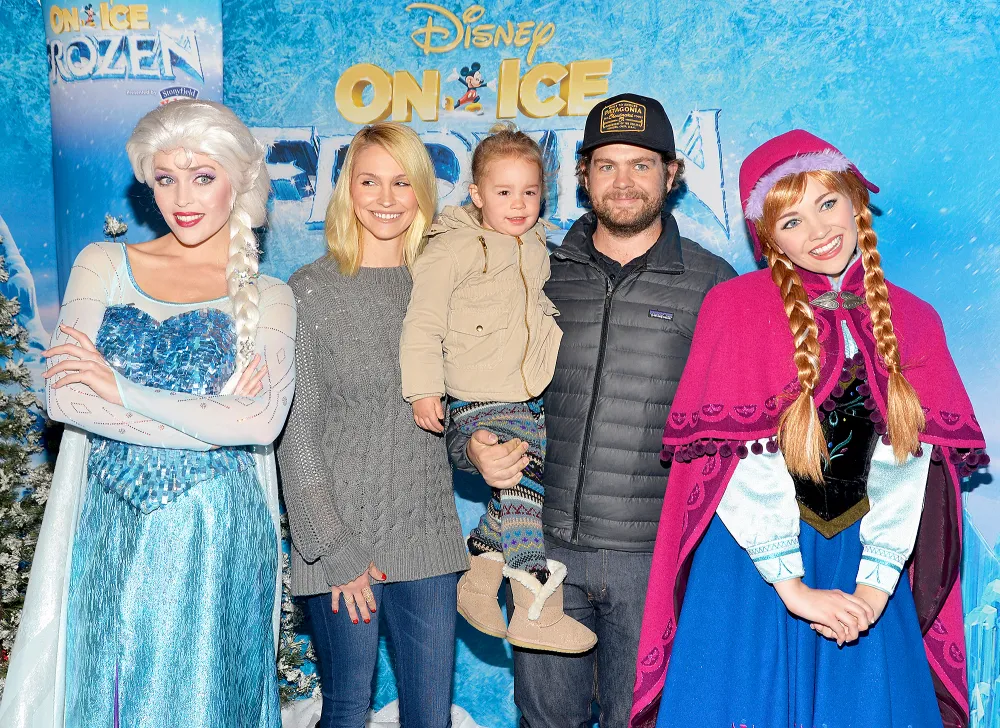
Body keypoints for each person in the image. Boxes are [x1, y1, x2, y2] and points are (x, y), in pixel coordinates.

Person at [631, 129, 988, 728]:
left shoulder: (913, 318)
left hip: (866, 559)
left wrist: (875, 586)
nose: (819, 230)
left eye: (827, 203)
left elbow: (910, 470)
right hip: (752, 562)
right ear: (766, 235)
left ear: (856, 201)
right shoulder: (734, 308)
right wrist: (791, 585)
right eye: (791, 220)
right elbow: (736, 461)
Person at [0, 99, 296, 728]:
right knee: (102, 684)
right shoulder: (102, 264)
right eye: (166, 178)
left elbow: (259, 424)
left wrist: (121, 389)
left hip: (218, 530)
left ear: (238, 181)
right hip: (111, 517)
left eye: (203, 176)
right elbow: (65, 398)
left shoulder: (271, 296)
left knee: (211, 697)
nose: (182, 197)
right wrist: (209, 417)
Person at [447, 93, 737, 727]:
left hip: (651, 558)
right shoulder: (532, 271)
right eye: (607, 164)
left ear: (672, 173)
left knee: (644, 719)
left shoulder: (715, 286)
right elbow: (468, 384)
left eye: (641, 164)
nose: (624, 181)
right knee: (546, 720)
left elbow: (734, 438)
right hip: (539, 549)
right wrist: (470, 446)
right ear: (582, 176)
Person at [278, 122, 468, 728]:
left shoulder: (444, 288)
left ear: (422, 193)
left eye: (401, 182)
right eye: (369, 181)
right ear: (346, 190)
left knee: (429, 717)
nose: (386, 198)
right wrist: (333, 551)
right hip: (340, 543)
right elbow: (295, 435)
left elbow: (458, 416)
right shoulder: (308, 290)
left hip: (430, 541)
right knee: (345, 710)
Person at [400, 123, 595, 654]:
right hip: (477, 398)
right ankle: (535, 607)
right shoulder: (453, 250)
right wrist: (422, 389)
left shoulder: (537, 247)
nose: (518, 203)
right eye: (504, 192)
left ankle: (479, 575)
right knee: (525, 490)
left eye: (530, 192)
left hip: (526, 396)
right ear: (477, 194)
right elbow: (422, 324)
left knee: (526, 487)